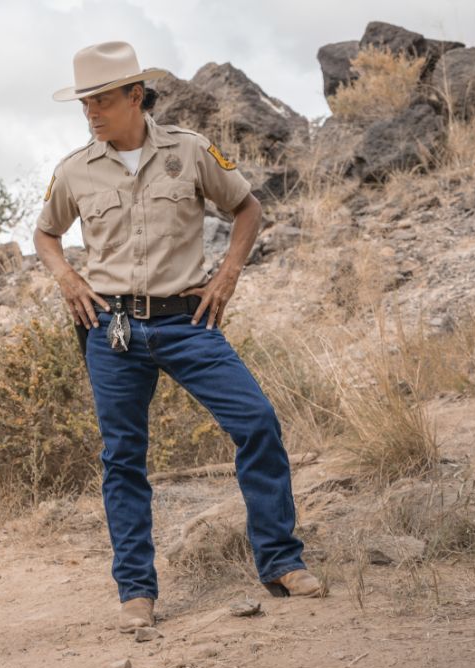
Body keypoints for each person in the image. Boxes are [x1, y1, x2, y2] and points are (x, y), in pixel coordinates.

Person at [34, 41, 324, 634]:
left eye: (103, 100)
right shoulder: (74, 169)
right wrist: (67, 278)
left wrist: (228, 274)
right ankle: (136, 591)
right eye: (84, 102)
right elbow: (45, 235)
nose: (91, 113)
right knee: (123, 460)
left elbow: (247, 209)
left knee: (257, 422)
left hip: (186, 322)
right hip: (111, 328)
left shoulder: (190, 153)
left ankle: (280, 562)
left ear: (135, 96)